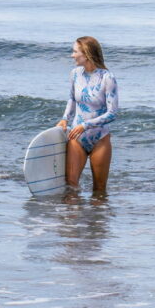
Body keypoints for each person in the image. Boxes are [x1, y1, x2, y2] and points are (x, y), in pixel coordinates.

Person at [56, 36, 120, 195]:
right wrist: (65, 119)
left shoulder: (107, 78)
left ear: (86, 54)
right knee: (70, 185)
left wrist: (85, 125)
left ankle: (96, 219)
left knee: (99, 190)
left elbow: (112, 113)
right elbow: (71, 99)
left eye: (75, 51)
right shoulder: (75, 74)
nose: (72, 55)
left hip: (99, 138)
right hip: (77, 138)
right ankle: (72, 219)